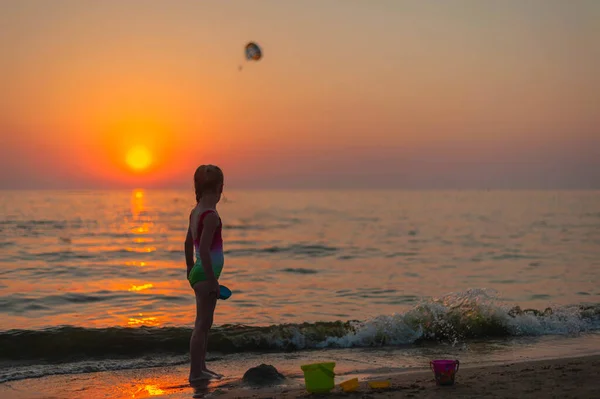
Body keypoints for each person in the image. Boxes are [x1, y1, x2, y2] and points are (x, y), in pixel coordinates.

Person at [185, 164, 225, 383]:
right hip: (205, 275)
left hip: (199, 272)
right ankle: (195, 372)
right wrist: (211, 281)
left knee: (205, 323)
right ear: (220, 188)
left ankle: (202, 367)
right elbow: (205, 251)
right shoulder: (210, 216)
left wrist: (189, 268)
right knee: (202, 324)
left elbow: (187, 243)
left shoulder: (195, 212)